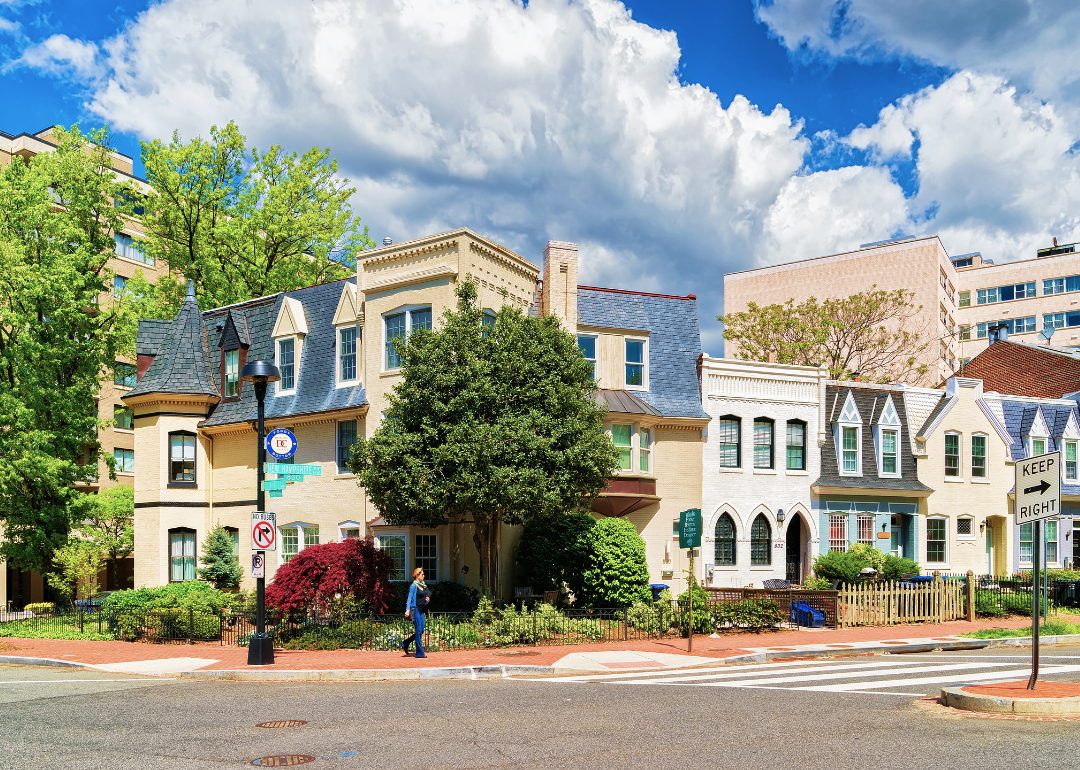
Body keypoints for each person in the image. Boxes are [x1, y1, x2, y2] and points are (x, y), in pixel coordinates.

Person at [402, 567, 430, 658]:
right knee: (418, 631)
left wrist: (427, 600)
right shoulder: (413, 586)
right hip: (416, 610)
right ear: (417, 575)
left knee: (421, 630)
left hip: (422, 610)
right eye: (422, 574)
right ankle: (419, 653)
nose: (423, 576)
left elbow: (423, 598)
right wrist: (407, 610)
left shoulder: (423, 585)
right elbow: (409, 598)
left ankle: (405, 643)